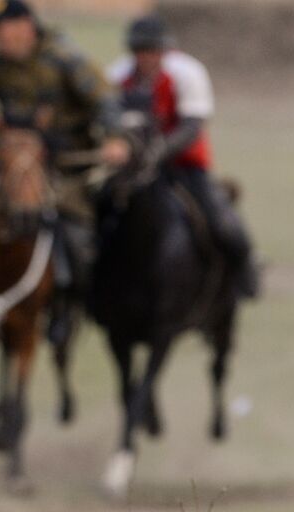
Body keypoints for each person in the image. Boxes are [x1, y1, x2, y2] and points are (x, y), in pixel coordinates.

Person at [0, 0, 127, 345]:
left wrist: (116, 138)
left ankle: (67, 301)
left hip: (63, 162)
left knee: (75, 230)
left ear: (23, 26)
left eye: (0, 28)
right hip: (8, 157)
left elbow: (105, 100)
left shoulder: (65, 59)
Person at [106, 15, 259, 299]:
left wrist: (159, 150)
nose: (145, 57)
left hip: (184, 166)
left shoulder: (187, 73)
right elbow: (108, 120)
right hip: (132, 168)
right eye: (139, 51)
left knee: (221, 221)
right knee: (97, 214)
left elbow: (192, 125)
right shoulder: (117, 76)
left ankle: (244, 272)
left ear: (164, 50)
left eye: (151, 50)